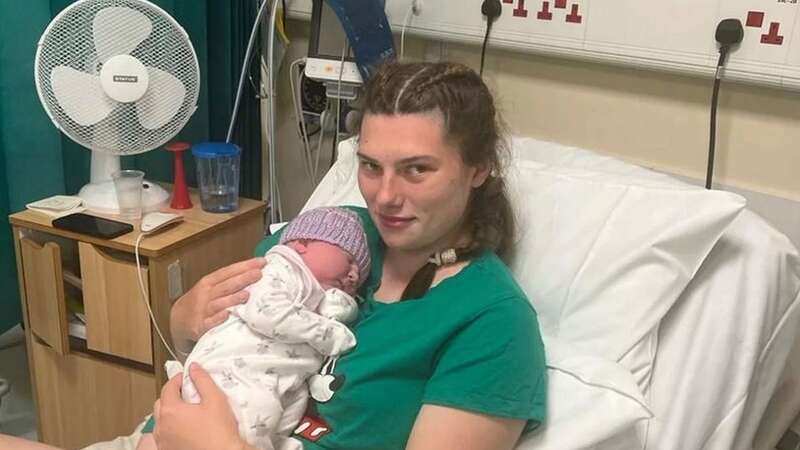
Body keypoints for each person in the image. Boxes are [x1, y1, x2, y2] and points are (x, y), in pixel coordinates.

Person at [0, 60, 546, 450]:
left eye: (417, 169)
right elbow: (228, 329)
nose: (384, 196)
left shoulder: (491, 323)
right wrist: (184, 316)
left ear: (479, 169)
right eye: (371, 165)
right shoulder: (334, 235)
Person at [136, 206, 371, 450]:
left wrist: (342, 302)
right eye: (349, 259)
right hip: (233, 375)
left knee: (276, 409)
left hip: (268, 385)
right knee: (254, 414)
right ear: (302, 243)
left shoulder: (314, 293)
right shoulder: (280, 268)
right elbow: (267, 314)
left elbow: (332, 312)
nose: (354, 275)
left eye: (360, 277)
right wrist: (330, 333)